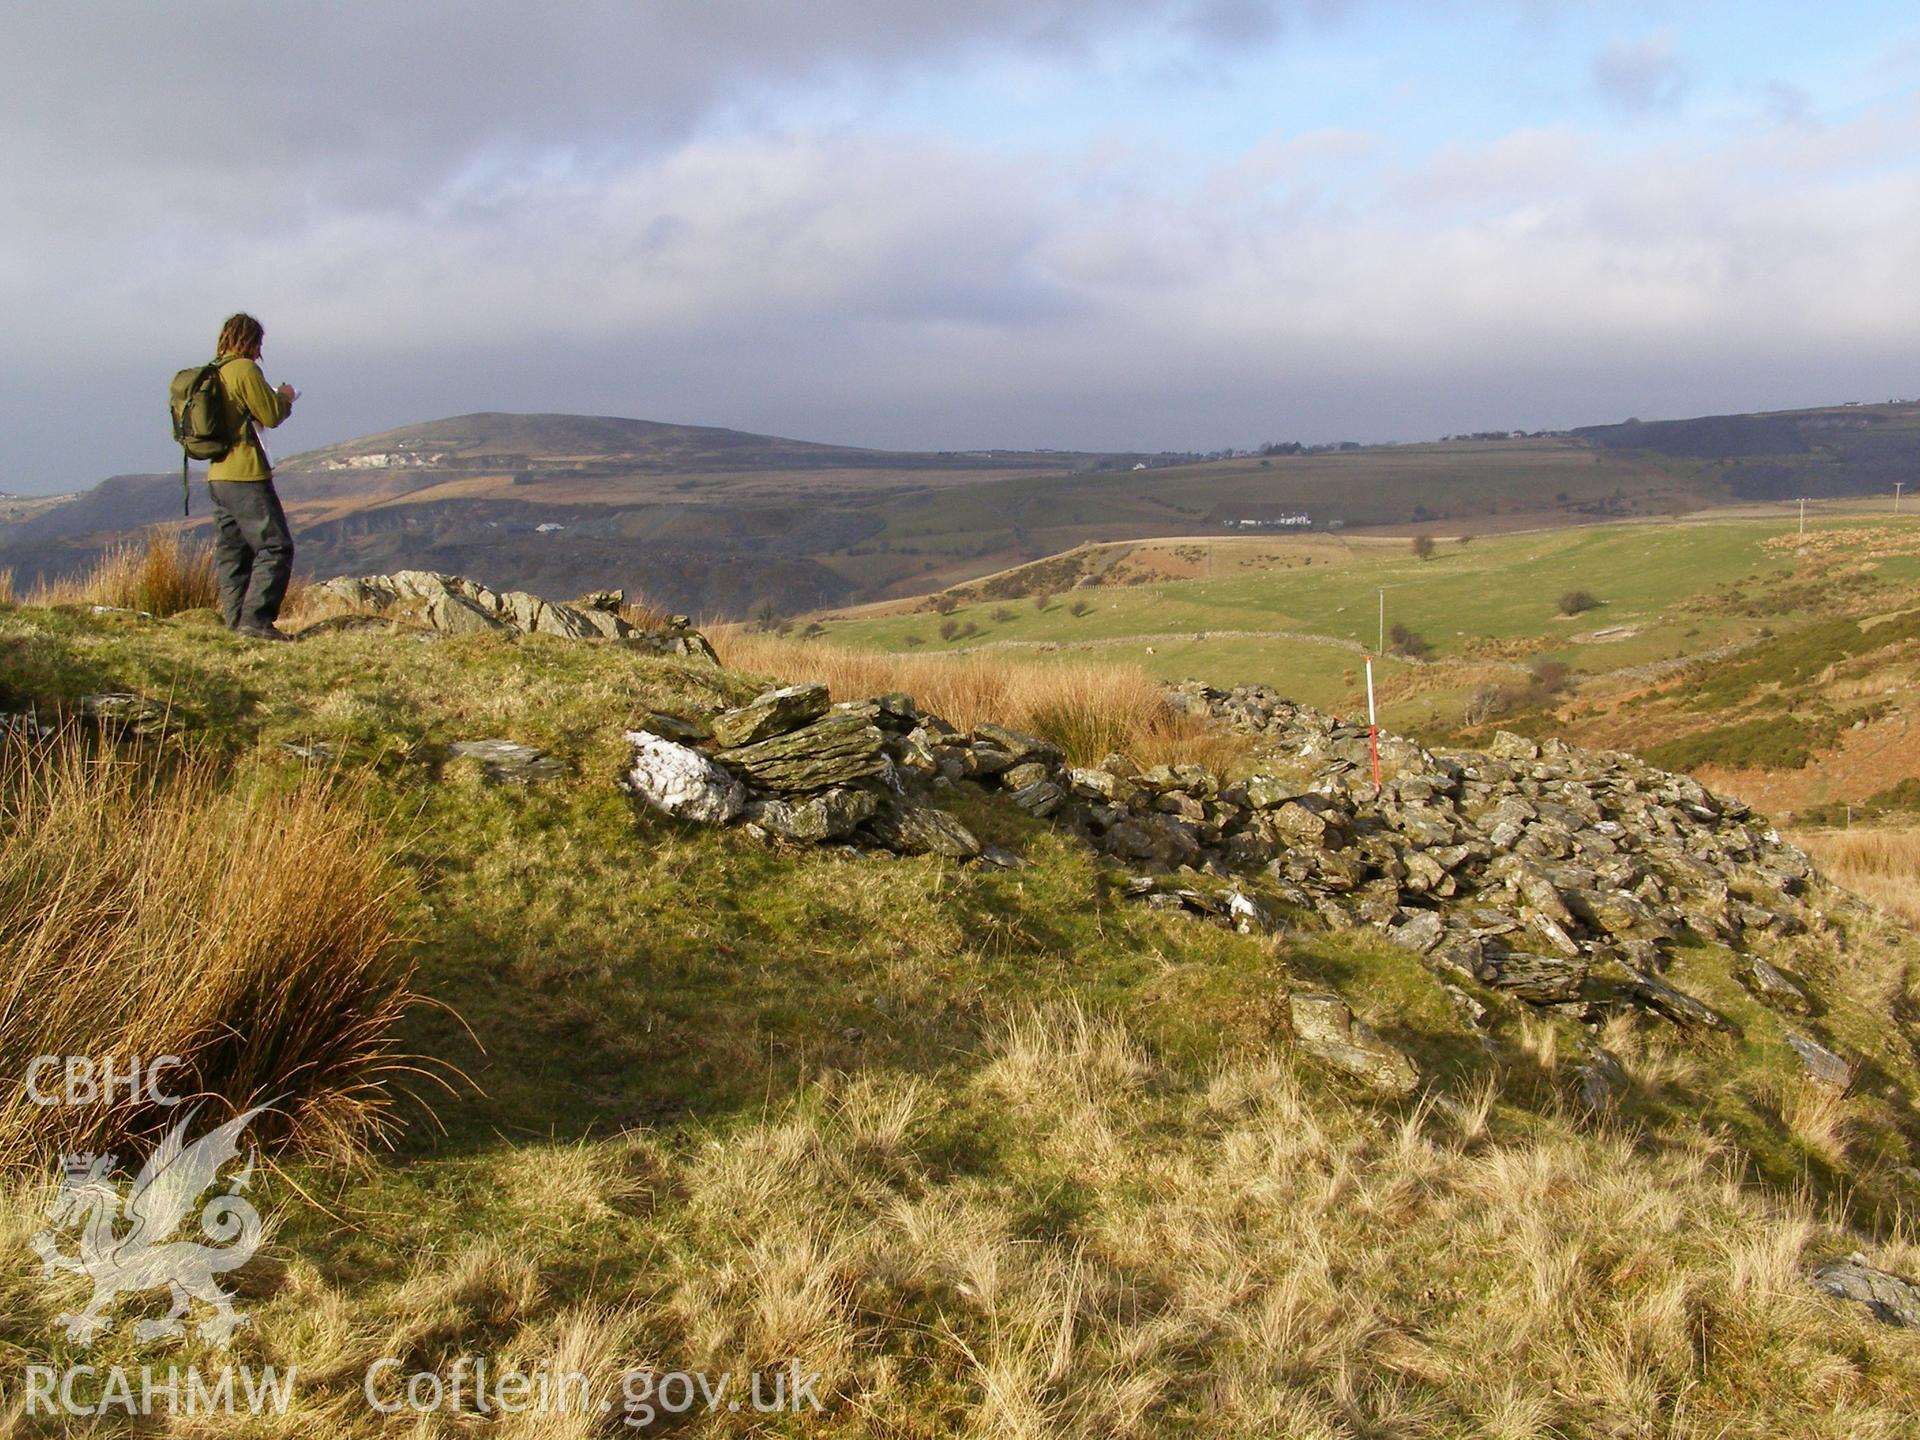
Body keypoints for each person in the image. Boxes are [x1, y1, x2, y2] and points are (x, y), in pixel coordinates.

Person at [206, 313, 299, 640]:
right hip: (246, 473)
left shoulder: (213, 372)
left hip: (217, 474)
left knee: (233, 553)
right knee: (276, 546)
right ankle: (256, 622)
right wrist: (285, 396)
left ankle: (235, 625)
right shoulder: (244, 369)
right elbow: (271, 415)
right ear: (252, 341)